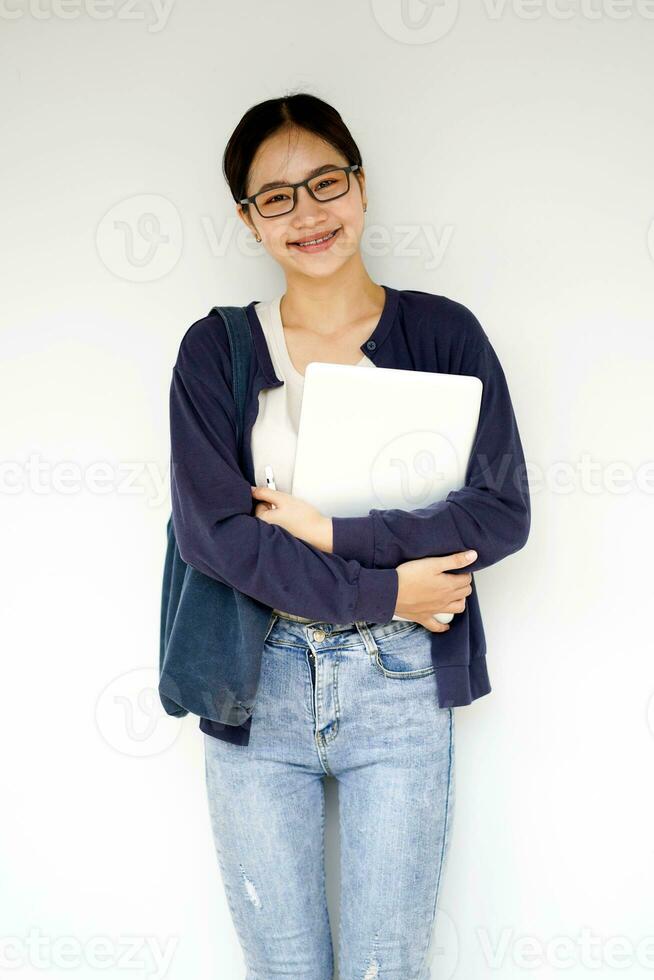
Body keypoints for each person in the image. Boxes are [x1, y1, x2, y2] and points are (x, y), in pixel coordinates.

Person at [168, 92, 531, 979]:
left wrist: (331, 530)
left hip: (402, 684)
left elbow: (501, 509)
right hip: (255, 684)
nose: (308, 213)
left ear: (361, 187)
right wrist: (387, 586)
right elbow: (216, 537)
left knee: (386, 966)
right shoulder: (216, 352)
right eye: (277, 197)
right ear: (249, 221)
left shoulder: (442, 332)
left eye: (324, 182)